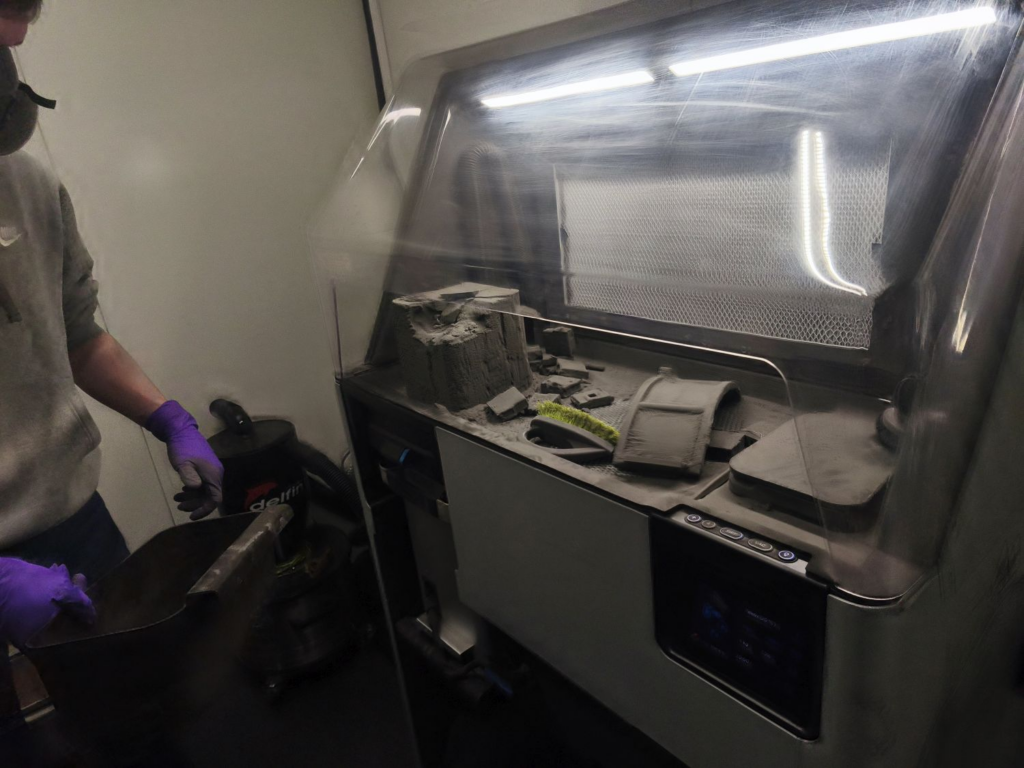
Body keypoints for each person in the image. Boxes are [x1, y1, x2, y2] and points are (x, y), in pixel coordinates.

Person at [0, 0, 224, 732]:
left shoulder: (29, 187)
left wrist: (169, 418)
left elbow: (78, 337)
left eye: (12, 42)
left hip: (71, 522)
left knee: (139, 719)